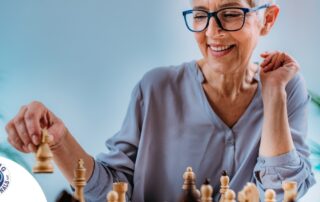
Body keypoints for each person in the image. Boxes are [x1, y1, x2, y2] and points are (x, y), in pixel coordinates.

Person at [5, 0, 316, 201]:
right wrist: (60, 142)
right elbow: (114, 191)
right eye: (200, 15)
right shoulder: (155, 88)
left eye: (231, 13)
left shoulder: (286, 87)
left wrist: (273, 95)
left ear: (267, 19)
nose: (212, 31)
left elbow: (280, 193)